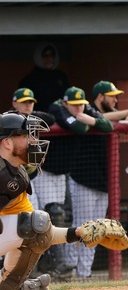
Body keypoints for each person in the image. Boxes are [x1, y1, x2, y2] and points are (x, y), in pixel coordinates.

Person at [0, 112, 126, 290]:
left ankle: (10, 285)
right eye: (25, 136)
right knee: (32, 224)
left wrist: (78, 233)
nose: (32, 141)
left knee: (36, 226)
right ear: (7, 143)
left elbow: (40, 232)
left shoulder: (17, 174)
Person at [5, 88, 77, 281]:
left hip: (25, 183)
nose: (28, 105)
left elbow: (50, 119)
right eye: (23, 102)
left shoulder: (31, 122)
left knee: (37, 224)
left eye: (31, 102)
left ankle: (20, 277)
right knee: (26, 225)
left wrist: (78, 233)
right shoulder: (7, 124)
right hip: (11, 187)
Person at [49, 87, 114, 278]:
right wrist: (86, 123)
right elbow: (78, 127)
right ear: (66, 103)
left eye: (81, 105)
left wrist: (91, 120)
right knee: (81, 226)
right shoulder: (58, 108)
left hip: (102, 182)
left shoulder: (88, 111)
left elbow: (109, 126)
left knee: (96, 230)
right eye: (74, 105)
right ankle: (70, 267)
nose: (78, 109)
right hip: (80, 178)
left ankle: (84, 273)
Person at [19, 42, 70, 112]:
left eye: (51, 55)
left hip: (61, 117)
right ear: (38, 56)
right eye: (45, 55)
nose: (48, 58)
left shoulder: (61, 77)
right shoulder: (29, 80)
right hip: (39, 118)